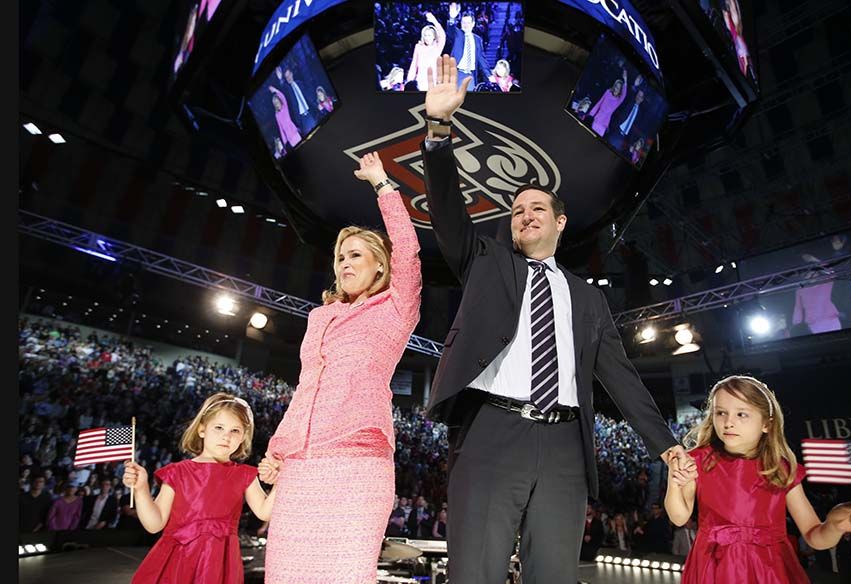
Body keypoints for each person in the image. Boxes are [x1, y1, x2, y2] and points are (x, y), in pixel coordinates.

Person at [418, 55, 695, 584]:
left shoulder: (588, 299)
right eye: (516, 211)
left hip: (567, 447)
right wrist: (438, 129)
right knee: (474, 574)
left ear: (560, 222)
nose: (524, 215)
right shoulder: (486, 262)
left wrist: (666, 443)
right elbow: (449, 212)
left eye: (536, 208)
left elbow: (622, 379)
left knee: (555, 577)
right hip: (491, 433)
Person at [258, 151, 422, 583]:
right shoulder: (319, 317)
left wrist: (382, 185)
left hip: (357, 462)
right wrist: (278, 449)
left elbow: (408, 249)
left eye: (355, 256)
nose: (345, 264)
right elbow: (305, 387)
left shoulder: (396, 307)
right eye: (340, 258)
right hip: (301, 465)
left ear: (379, 265)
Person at [664, 375, 851, 583]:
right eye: (721, 413)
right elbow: (680, 517)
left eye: (742, 414)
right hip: (714, 568)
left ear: (767, 423)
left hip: (769, 571)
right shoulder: (700, 460)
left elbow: (815, 537)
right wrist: (674, 483)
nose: (728, 422)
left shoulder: (780, 470)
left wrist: (835, 525)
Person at [121, 393, 276, 584]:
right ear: (202, 429)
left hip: (219, 565)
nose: (226, 436)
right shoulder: (177, 472)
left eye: (235, 431)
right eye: (218, 427)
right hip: (178, 561)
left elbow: (264, 512)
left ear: (243, 437)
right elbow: (154, 524)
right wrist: (141, 489)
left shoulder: (245, 475)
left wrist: (280, 481)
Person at [445, 4, 492, 91]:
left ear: (473, 24)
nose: (466, 25)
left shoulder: (477, 39)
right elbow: (450, 30)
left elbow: (481, 59)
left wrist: (489, 75)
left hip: (471, 75)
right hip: (458, 73)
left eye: (468, 22)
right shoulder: (457, 34)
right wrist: (452, 18)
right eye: (463, 22)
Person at [407, 11, 446, 91]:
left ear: (434, 37)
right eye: (425, 35)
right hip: (420, 82)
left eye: (429, 35)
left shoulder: (437, 47)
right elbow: (414, 65)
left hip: (433, 83)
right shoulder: (418, 47)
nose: (427, 37)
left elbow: (442, 35)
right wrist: (409, 82)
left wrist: (434, 21)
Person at [587, 72, 627, 136]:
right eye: (616, 86)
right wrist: (591, 114)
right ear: (614, 86)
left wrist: (625, 80)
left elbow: (624, 95)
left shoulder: (618, 100)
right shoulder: (608, 92)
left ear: (620, 90)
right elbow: (599, 103)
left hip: (603, 125)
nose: (616, 89)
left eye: (619, 88)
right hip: (597, 119)